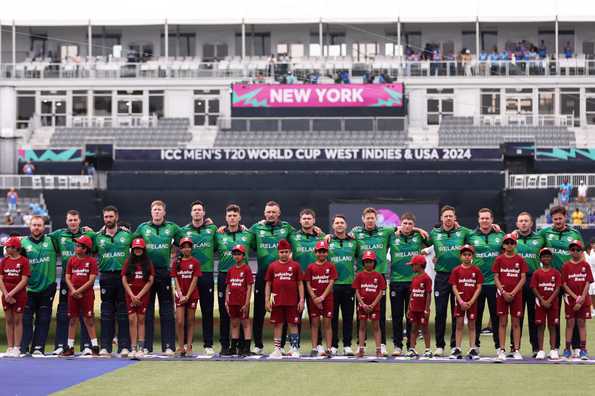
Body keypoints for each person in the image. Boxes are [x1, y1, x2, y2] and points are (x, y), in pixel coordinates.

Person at [249, 201, 295, 354]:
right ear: (264, 213)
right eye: (268, 212)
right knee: (259, 311)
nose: (271, 214)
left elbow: (300, 235)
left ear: (278, 213)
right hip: (263, 274)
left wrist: (318, 231)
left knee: (281, 311)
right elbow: (243, 236)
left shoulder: (286, 227)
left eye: (273, 212)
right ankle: (258, 345)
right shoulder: (256, 228)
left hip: (282, 276)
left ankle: (281, 346)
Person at [426, 205, 472, 357]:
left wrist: (493, 226)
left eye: (451, 216)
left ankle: (454, 345)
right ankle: (440, 346)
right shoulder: (434, 233)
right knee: (440, 312)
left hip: (459, 277)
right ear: (441, 218)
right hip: (441, 277)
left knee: (456, 312)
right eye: (445, 216)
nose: (448, 218)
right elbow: (421, 241)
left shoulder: (463, 232)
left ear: (455, 218)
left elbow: (478, 236)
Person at [538, 205, 584, 353]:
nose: (558, 221)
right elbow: (530, 236)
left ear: (565, 218)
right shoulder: (545, 232)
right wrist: (514, 232)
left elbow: (581, 255)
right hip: (552, 280)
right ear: (552, 219)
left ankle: (576, 347)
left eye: (560, 218)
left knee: (575, 314)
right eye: (555, 218)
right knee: (554, 314)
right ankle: (555, 347)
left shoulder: (574, 233)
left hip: (572, 279)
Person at [135, 200, 179, 355]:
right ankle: (146, 346)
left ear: (164, 212)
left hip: (163, 273)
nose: (157, 212)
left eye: (160, 209)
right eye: (155, 209)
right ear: (151, 212)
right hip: (147, 274)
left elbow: (186, 240)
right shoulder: (143, 228)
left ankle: (168, 346)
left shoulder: (172, 227)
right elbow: (131, 242)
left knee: (167, 310)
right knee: (147, 310)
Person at [351, 207, 395, 356]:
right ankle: (360, 345)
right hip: (362, 277)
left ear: (376, 219)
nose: (370, 220)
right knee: (361, 315)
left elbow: (403, 228)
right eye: (367, 218)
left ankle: (381, 345)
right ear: (363, 219)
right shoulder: (356, 233)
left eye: (372, 218)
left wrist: (418, 229)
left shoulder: (386, 231)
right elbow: (342, 236)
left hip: (380, 275)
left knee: (380, 313)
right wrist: (327, 237)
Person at [49, 210, 93, 355]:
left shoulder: (89, 234)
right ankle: (62, 345)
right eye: (70, 220)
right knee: (64, 312)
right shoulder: (58, 234)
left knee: (85, 314)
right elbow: (40, 237)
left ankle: (87, 346)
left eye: (75, 220)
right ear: (66, 221)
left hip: (84, 279)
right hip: (67, 279)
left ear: (79, 221)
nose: (73, 222)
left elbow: (103, 236)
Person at [177, 201, 218, 355]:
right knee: (187, 312)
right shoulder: (183, 231)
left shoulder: (213, 229)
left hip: (206, 274)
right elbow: (178, 247)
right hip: (188, 276)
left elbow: (217, 242)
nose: (197, 212)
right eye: (194, 210)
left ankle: (208, 344)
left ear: (204, 212)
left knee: (207, 310)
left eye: (199, 210)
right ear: (191, 213)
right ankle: (187, 344)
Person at [94, 205, 133, 356]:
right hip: (106, 277)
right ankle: (105, 347)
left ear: (116, 217)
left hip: (123, 277)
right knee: (106, 313)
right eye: (106, 217)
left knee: (123, 313)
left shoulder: (127, 235)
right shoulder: (97, 237)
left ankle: (124, 346)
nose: (108, 219)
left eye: (111, 216)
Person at [215, 204, 254, 354]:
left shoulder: (248, 234)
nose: (232, 218)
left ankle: (243, 346)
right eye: (229, 215)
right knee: (226, 312)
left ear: (239, 217)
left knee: (243, 313)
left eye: (235, 215)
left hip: (242, 276)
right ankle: (226, 345)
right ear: (226, 218)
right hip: (225, 275)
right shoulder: (218, 234)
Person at [388, 212, 428, 356]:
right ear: (400, 224)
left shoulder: (418, 237)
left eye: (410, 224)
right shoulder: (392, 236)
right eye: (404, 223)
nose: (407, 226)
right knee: (397, 315)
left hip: (414, 282)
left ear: (414, 225)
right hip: (396, 282)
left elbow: (432, 243)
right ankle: (398, 346)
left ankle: (411, 346)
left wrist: (418, 230)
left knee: (412, 315)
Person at [467, 208, 504, 355]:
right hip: (477, 284)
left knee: (496, 317)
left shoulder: (500, 235)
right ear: (478, 220)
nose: (484, 221)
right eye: (482, 218)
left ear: (492, 219)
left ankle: (498, 347)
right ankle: (474, 346)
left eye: (487, 218)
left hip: (495, 283)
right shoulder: (470, 236)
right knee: (476, 316)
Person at [20, 215, 58, 355]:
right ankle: (23, 347)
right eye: (34, 225)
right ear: (30, 226)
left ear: (44, 227)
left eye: (39, 225)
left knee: (43, 319)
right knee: (26, 319)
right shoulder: (22, 243)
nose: (37, 227)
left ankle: (38, 348)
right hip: (28, 288)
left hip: (47, 287)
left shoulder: (52, 241)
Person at [289, 209, 324, 351]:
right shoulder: (292, 236)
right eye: (304, 218)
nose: (306, 221)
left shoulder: (321, 237)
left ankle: (318, 345)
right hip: (297, 280)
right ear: (300, 220)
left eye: (309, 218)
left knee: (315, 314)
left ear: (314, 220)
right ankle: (294, 346)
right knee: (295, 313)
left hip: (315, 280)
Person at [265, 239, 304, 358]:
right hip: (276, 300)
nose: (284, 254)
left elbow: (300, 283)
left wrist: (301, 300)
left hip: (292, 300)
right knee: (278, 324)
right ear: (278, 253)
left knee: (293, 324)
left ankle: (294, 348)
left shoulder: (295, 266)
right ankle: (277, 349)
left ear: (290, 252)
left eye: (286, 251)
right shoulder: (272, 266)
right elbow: (268, 284)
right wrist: (267, 300)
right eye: (282, 252)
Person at [61, 235, 99, 356]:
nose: (75, 247)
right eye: (76, 245)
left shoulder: (91, 261)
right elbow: (67, 277)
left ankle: (95, 346)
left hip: (86, 294)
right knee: (72, 319)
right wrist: (73, 290)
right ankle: (70, 347)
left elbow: (91, 280)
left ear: (85, 248)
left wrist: (79, 291)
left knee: (89, 319)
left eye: (78, 245)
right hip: (73, 294)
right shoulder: (71, 260)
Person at [493, 234, 528, 361]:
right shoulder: (499, 259)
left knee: (516, 323)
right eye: (507, 242)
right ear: (503, 245)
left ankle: (516, 349)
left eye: (511, 243)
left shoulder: (520, 259)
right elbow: (496, 276)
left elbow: (523, 277)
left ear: (515, 244)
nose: (509, 245)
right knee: (502, 322)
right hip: (502, 295)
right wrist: (503, 291)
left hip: (516, 295)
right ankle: (502, 349)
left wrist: (513, 292)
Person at [514, 212, 545, 357]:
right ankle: (515, 348)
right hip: (516, 280)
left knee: (534, 316)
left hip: (533, 280)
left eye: (526, 221)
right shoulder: (511, 239)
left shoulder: (540, 238)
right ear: (517, 224)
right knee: (516, 316)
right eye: (521, 221)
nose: (524, 223)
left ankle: (536, 348)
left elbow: (550, 253)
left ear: (531, 223)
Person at [328, 214, 358, 356]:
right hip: (332, 285)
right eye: (337, 223)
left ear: (346, 225)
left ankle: (347, 345)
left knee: (348, 317)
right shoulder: (327, 241)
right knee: (333, 317)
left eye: (342, 222)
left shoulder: (353, 242)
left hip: (349, 285)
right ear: (333, 226)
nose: (339, 225)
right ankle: (333, 345)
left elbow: (362, 258)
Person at [121, 238, 155, 360]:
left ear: (143, 249)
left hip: (143, 295)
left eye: (140, 248)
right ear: (133, 249)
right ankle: (133, 348)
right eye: (136, 248)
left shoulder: (148, 263)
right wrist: (132, 295)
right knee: (131, 320)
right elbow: (124, 279)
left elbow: (150, 281)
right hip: (131, 295)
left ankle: (141, 348)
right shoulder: (128, 262)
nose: (138, 250)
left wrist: (139, 296)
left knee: (141, 320)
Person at [449, 245, 483, 360]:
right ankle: (457, 348)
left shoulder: (476, 270)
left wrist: (472, 301)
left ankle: (472, 348)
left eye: (469, 255)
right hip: (460, 303)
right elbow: (454, 287)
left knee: (472, 325)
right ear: (460, 256)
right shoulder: (456, 270)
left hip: (472, 303)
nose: (467, 257)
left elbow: (478, 287)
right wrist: (460, 301)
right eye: (464, 255)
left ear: (472, 256)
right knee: (458, 325)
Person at [304, 240, 337, 357]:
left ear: (327, 253)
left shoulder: (331, 266)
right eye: (319, 251)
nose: (321, 254)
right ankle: (314, 348)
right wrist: (314, 298)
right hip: (314, 300)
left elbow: (331, 282)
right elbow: (307, 283)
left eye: (324, 251)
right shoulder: (311, 267)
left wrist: (322, 297)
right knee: (314, 324)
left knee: (327, 324)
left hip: (327, 299)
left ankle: (328, 348)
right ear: (315, 252)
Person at [561, 240, 593, 360]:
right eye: (573, 249)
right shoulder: (566, 266)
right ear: (569, 251)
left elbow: (587, 282)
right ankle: (567, 349)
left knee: (581, 323)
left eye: (578, 250)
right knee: (570, 324)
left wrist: (582, 298)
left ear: (581, 251)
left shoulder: (585, 265)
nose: (575, 252)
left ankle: (583, 350)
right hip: (570, 299)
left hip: (583, 299)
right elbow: (564, 284)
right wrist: (575, 298)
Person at [171, 237, 201, 357]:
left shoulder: (195, 262)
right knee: (179, 321)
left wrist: (187, 295)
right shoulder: (176, 262)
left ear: (191, 248)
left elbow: (195, 279)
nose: (186, 249)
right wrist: (181, 294)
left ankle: (189, 346)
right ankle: (181, 346)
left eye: (188, 247)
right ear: (181, 248)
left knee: (190, 321)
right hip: (180, 295)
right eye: (184, 247)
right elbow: (175, 279)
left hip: (192, 295)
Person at [352, 250, 386, 358]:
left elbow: (381, 292)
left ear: (374, 263)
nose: (368, 264)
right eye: (366, 262)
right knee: (362, 327)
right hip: (362, 307)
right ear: (363, 263)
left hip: (374, 306)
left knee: (376, 327)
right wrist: (362, 304)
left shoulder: (379, 276)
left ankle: (378, 350)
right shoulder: (359, 275)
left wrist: (373, 304)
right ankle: (361, 349)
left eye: (370, 262)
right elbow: (356, 291)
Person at [0, 237, 30, 357]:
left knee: (17, 320)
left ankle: (17, 348)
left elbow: (24, 280)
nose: (6, 248)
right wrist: (6, 294)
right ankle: (10, 347)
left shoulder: (24, 261)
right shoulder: (4, 261)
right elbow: (0, 279)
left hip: (19, 295)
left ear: (16, 248)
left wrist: (11, 294)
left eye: (8, 247)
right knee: (9, 320)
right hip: (6, 295)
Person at [530, 248, 561, 360]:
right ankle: (541, 350)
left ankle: (553, 350)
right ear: (540, 258)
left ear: (551, 258)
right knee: (540, 326)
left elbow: (557, 288)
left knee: (552, 326)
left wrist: (549, 300)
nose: (546, 258)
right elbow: (534, 287)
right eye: (544, 256)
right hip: (540, 304)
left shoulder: (556, 273)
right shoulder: (537, 273)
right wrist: (542, 300)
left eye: (548, 256)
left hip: (553, 304)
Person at [224, 244, 254, 356]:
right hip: (232, 301)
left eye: (239, 254)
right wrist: (226, 300)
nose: (237, 256)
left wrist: (246, 303)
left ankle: (246, 348)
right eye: (235, 254)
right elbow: (228, 286)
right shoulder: (231, 270)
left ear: (243, 255)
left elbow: (249, 286)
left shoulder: (246, 269)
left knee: (246, 323)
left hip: (242, 302)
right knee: (234, 323)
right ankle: (233, 347)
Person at [405, 255, 432, 359]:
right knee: (414, 328)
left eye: (413, 265)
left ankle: (428, 349)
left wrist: (427, 308)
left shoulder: (426, 278)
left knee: (425, 329)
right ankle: (412, 348)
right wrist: (408, 308)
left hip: (422, 309)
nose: (412, 267)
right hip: (414, 308)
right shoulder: (414, 278)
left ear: (419, 265)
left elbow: (428, 294)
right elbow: (412, 293)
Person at [588, 238, 595, 317]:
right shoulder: (592, 252)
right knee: (591, 294)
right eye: (593, 244)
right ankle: (593, 310)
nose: (594, 245)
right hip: (591, 276)